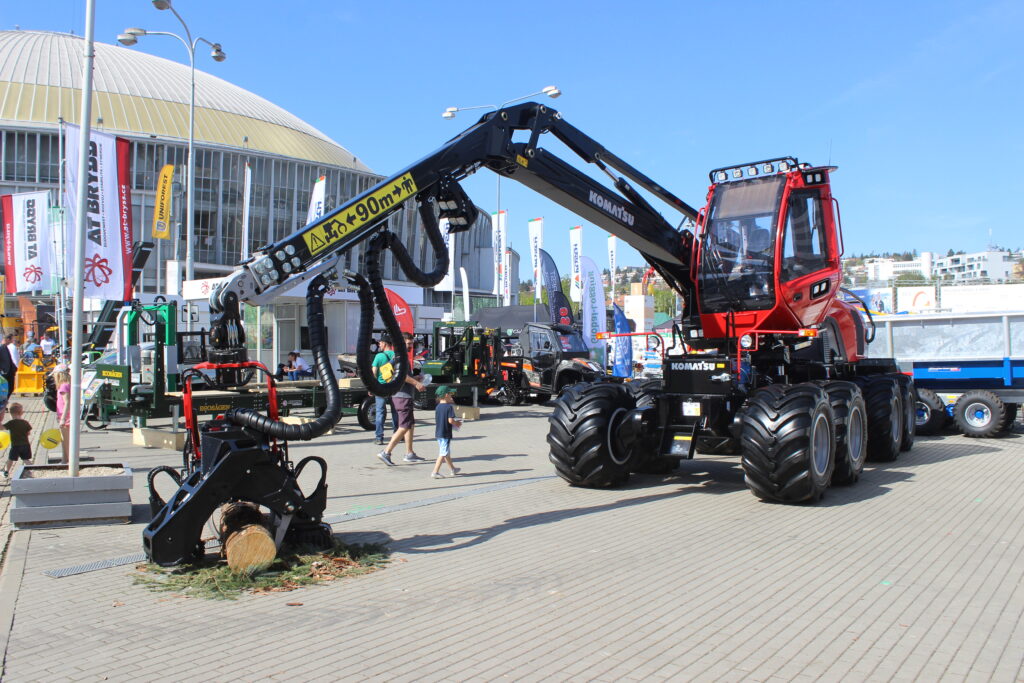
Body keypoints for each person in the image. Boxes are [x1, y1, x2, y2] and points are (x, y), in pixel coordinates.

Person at [375, 335, 426, 466]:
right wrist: (416, 383)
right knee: (404, 426)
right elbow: (401, 376)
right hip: (402, 396)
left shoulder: (398, 356)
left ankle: (410, 453)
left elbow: (402, 375)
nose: (410, 346)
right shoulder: (401, 357)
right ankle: (386, 452)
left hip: (402, 395)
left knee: (410, 424)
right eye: (408, 343)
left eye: (411, 343)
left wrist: (415, 377)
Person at [371, 335, 398, 446]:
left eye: (380, 343)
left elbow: (373, 372)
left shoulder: (379, 356)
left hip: (381, 387)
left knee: (380, 413)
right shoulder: (396, 355)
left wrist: (372, 387)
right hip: (394, 387)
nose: (379, 345)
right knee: (395, 412)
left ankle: (379, 438)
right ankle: (397, 435)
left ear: (385, 343)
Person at [430, 386, 462, 479]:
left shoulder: (438, 407)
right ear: (447, 395)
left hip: (438, 432)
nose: (452, 396)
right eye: (451, 394)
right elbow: (450, 420)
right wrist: (458, 423)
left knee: (446, 451)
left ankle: (453, 469)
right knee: (443, 453)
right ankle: (435, 472)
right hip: (445, 433)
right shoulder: (449, 407)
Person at [2, 403, 32, 479]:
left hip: (15, 446)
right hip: (26, 445)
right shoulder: (25, 422)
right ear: (21, 413)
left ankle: (6, 472)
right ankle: (33, 469)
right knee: (26, 459)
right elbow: (28, 433)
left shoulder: (11, 423)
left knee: (10, 459)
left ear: (10, 413)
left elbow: (2, 428)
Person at [53, 364, 72, 465]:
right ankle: (64, 460)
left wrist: (63, 418)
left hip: (66, 417)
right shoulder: (69, 384)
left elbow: (67, 402)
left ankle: (69, 462)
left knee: (66, 442)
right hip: (67, 416)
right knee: (64, 441)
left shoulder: (64, 385)